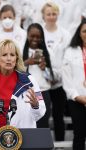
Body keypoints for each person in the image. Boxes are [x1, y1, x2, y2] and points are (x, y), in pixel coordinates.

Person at [0, 39, 46, 129]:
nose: (9, 58)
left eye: (12, 55)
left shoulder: (29, 80)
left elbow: (40, 111)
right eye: (4, 55)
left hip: (23, 137)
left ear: (16, 59)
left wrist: (36, 105)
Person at [41, 2, 71, 141]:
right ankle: (44, 142)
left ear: (58, 15)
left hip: (60, 82)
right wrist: (47, 74)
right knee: (43, 115)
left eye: (54, 14)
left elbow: (68, 57)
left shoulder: (65, 34)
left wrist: (58, 76)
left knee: (58, 115)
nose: (51, 17)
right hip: (43, 81)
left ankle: (60, 142)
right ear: (43, 16)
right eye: (48, 14)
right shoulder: (39, 32)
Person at [23, 23, 54, 128]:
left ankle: (42, 145)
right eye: (32, 36)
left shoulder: (47, 52)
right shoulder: (20, 51)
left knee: (42, 124)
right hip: (25, 93)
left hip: (43, 93)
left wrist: (44, 68)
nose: (35, 39)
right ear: (27, 35)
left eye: (38, 36)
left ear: (42, 37)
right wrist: (26, 62)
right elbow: (13, 72)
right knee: (26, 123)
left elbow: (52, 79)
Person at [62, 19, 86, 150]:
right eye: (84, 31)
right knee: (79, 134)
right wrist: (77, 96)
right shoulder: (70, 51)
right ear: (79, 33)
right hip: (77, 100)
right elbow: (67, 79)